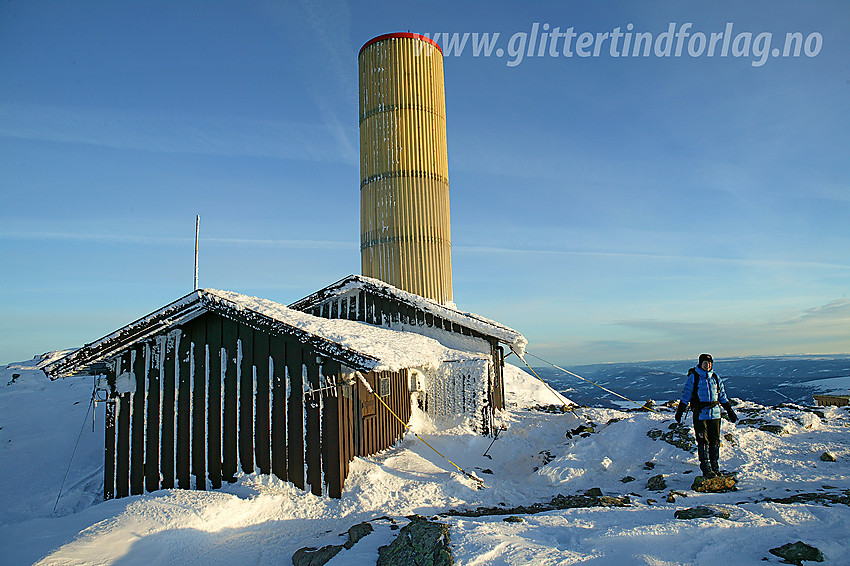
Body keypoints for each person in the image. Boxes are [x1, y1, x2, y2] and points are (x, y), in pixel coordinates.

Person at [675, 354, 738, 478]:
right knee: (703, 441)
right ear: (700, 364)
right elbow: (686, 394)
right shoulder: (694, 378)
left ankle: (715, 466)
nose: (707, 365)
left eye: (709, 363)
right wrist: (680, 410)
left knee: (715, 441)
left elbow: (722, 396)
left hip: (715, 414)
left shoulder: (715, 377)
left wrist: (729, 410)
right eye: (705, 363)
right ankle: (706, 468)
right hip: (700, 414)